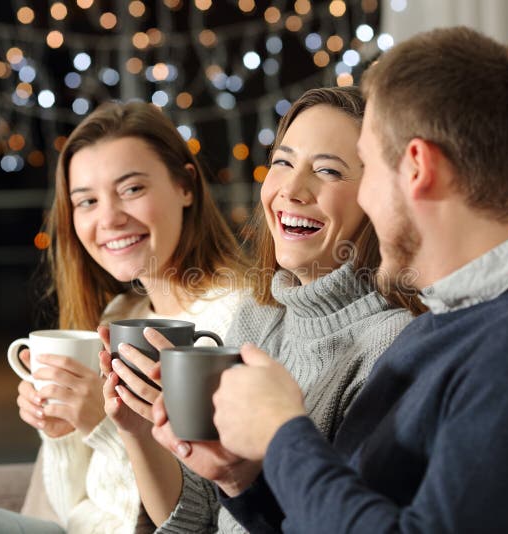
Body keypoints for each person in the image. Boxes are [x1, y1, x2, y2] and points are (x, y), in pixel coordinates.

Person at [198, 27, 508, 533]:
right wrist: (243, 480)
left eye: (367, 172)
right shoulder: (446, 326)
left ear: (417, 169)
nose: (363, 202)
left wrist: (283, 432)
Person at [0, 101, 246, 533]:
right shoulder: (120, 314)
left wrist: (100, 423)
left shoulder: (233, 319)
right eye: (86, 201)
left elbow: (192, 515)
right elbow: (66, 507)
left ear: (186, 185)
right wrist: (62, 434)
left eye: (131, 189)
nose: (108, 218)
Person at [102, 86, 420, 533]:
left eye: (327, 171)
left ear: (379, 199)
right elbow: (201, 521)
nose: (292, 189)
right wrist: (139, 432)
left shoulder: (391, 345)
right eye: (283, 162)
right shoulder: (258, 312)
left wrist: (247, 472)